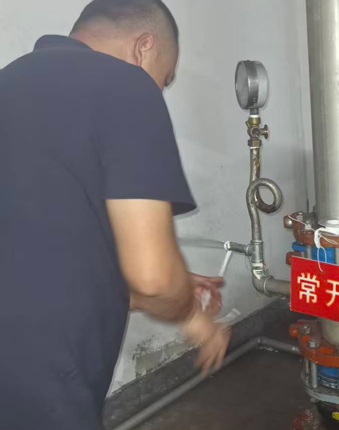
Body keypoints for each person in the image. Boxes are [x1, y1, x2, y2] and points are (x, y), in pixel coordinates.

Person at [0, 1, 230, 428]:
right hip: (44, 377)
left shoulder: (9, 82)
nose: (158, 91)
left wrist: (171, 285)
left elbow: (43, 262)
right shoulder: (125, 84)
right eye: (164, 79)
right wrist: (190, 314)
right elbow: (153, 278)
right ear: (144, 47)